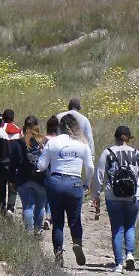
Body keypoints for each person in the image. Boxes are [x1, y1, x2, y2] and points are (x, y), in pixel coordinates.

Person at [37, 113, 94, 268]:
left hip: (55, 182)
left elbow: (41, 166)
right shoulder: (82, 143)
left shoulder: (53, 142)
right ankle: (77, 243)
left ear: (59, 127)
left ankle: (58, 253)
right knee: (75, 219)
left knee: (57, 222)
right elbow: (89, 167)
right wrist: (86, 183)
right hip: (74, 182)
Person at [93, 126, 139, 273]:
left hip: (113, 196)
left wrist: (96, 195)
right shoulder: (136, 153)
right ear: (128, 138)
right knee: (130, 226)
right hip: (134, 196)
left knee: (117, 228)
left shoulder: (108, 152)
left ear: (115, 137)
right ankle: (130, 254)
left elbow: (100, 175)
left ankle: (118, 264)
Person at [10, 115, 48, 233]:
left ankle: (28, 232)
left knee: (28, 207)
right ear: (37, 126)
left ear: (24, 127)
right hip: (40, 179)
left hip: (23, 178)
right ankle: (38, 231)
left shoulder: (18, 142)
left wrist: (12, 181)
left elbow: (13, 164)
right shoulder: (44, 141)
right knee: (40, 206)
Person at [0, 108, 22, 214]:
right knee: (13, 187)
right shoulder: (19, 132)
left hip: (1, 163)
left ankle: (2, 208)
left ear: (3, 118)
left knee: (1, 187)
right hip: (14, 164)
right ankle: (10, 208)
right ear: (13, 118)